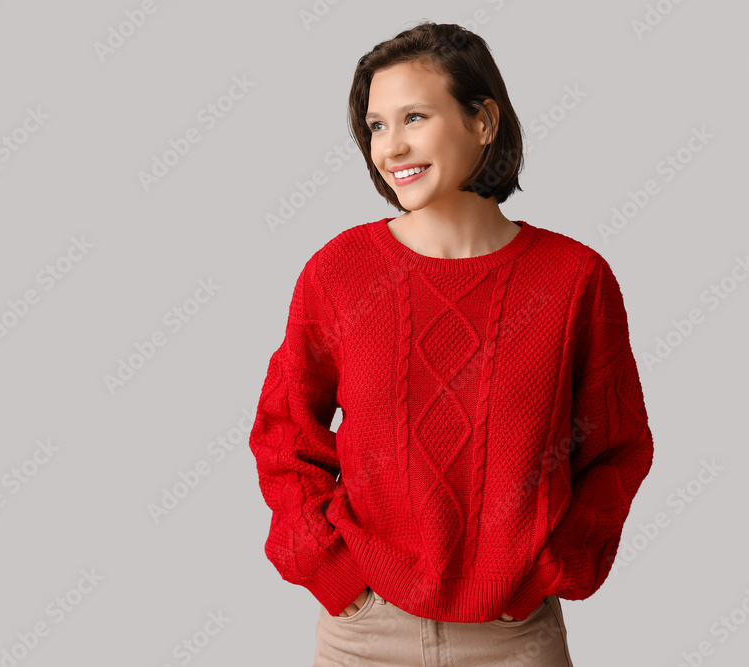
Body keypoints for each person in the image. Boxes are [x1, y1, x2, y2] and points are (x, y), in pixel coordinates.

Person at [246, 21, 654, 666]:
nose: (391, 147)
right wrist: (336, 575)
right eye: (376, 126)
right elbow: (284, 430)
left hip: (515, 636)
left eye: (414, 116)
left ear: (483, 120)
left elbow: (616, 447)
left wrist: (548, 572)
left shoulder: (574, 279)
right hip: (363, 632)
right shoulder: (340, 271)